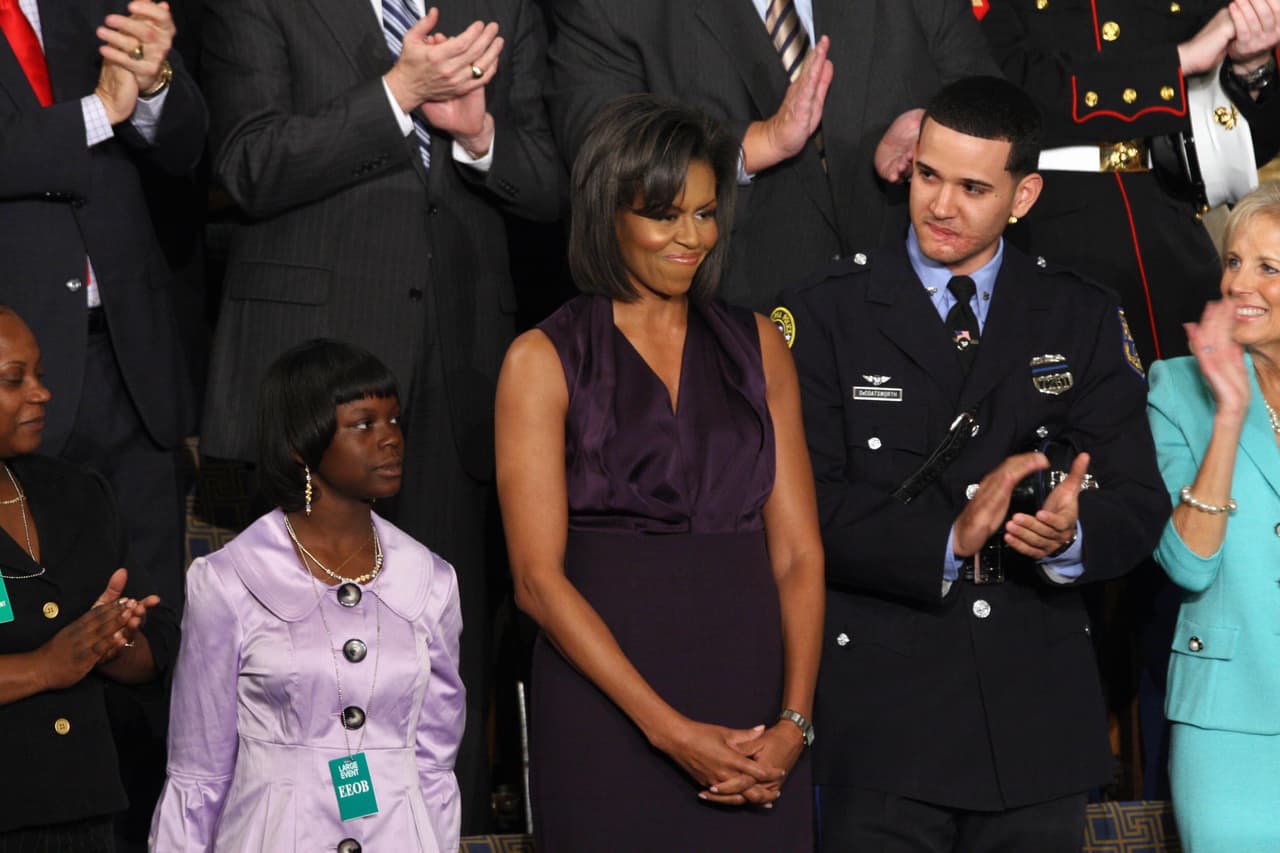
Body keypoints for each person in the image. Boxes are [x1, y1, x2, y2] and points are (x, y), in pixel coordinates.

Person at [779, 76, 1170, 851]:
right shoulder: (826, 310)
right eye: (928, 175)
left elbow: (1136, 498)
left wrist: (1070, 534)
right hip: (883, 718)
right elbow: (805, 508)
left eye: (972, 187)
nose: (941, 206)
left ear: (1024, 195)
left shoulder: (1081, 312)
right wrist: (947, 539)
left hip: (1036, 713)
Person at [196, 0, 562, 827]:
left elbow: (548, 185)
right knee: (304, 663)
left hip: (457, 376)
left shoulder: (501, 8)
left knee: (441, 658)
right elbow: (249, 162)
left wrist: (479, 135)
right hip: (315, 380)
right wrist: (398, 94)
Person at [495, 95, 824, 852]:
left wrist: (794, 722)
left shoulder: (759, 347)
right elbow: (537, 582)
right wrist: (670, 732)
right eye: (665, 215)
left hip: (754, 710)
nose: (692, 237)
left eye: (705, 214)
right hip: (607, 712)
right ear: (608, 214)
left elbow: (799, 554)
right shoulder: (541, 360)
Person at [150, 340, 464, 852]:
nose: (390, 439)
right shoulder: (230, 582)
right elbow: (199, 770)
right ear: (301, 444)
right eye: (363, 424)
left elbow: (435, 761)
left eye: (393, 419)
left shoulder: (430, 581)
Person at [545, 0, 999, 312]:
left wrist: (934, 135)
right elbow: (603, 157)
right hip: (729, 330)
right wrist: (762, 142)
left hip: (916, 308)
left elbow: (994, 107)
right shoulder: (613, 10)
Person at [979, 0, 1280, 368]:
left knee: (1206, 393)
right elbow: (1001, 91)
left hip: (1176, 240)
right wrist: (1177, 62)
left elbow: (1254, 146)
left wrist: (1253, 68)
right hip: (1046, 239)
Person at [0, 306, 178, 851]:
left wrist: (113, 643)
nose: (42, 393)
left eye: (40, 374)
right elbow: (53, 661)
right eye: (14, 380)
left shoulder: (78, 492)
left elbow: (159, 642)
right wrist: (44, 667)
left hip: (87, 809)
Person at [1147, 182, 1280, 851]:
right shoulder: (1176, 386)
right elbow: (1188, 565)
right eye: (1233, 261)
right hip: (1226, 719)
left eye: (1268, 267)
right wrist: (1228, 416)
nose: (1239, 284)